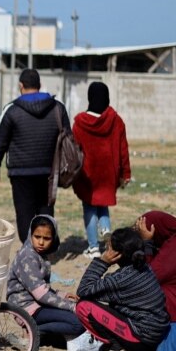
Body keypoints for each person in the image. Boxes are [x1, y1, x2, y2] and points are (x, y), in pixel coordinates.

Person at [0, 68, 69, 242]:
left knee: (24, 212)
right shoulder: (58, 108)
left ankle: (28, 249)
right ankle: (44, 249)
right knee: (46, 210)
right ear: (39, 86)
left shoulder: (11, 110)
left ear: (20, 86)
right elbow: (67, 139)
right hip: (49, 170)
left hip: (20, 173)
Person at [75, 228, 170, 351]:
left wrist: (102, 262)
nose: (106, 248)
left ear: (116, 254)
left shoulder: (121, 279)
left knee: (83, 307)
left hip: (142, 338)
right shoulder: (143, 267)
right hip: (155, 332)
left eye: (109, 247)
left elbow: (83, 290)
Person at [6, 215, 95, 351]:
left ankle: (42, 333)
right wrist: (71, 306)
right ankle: (33, 332)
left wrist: (63, 295)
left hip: (37, 304)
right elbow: (41, 295)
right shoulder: (28, 257)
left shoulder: (39, 255)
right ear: (30, 234)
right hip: (26, 309)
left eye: (46, 238)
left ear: (53, 238)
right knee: (77, 323)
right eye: (37, 237)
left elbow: (42, 288)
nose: (41, 242)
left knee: (74, 318)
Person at [72, 82, 131, 256]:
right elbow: (123, 150)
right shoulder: (116, 121)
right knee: (102, 204)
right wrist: (125, 173)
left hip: (87, 174)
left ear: (89, 98)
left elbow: (74, 151)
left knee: (89, 207)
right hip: (108, 173)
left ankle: (93, 247)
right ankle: (105, 229)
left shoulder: (79, 124)